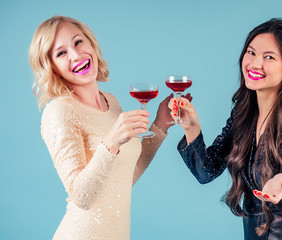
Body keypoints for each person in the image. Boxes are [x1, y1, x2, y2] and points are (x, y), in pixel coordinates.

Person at [169, 18, 282, 239]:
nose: (254, 63)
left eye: (269, 57)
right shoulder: (242, 115)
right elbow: (206, 172)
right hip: (254, 233)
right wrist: (191, 127)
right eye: (251, 53)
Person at [29, 15, 174, 240]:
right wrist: (111, 141)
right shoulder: (58, 112)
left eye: (78, 42)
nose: (75, 55)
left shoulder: (111, 101)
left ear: (91, 44)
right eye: (61, 53)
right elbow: (81, 197)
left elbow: (126, 176)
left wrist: (160, 124)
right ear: (54, 69)